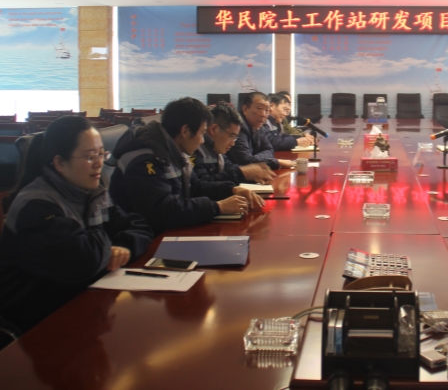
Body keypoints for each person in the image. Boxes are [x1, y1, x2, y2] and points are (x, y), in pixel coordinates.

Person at [0, 116, 153, 335]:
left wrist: (122, 248)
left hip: (82, 305)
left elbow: (140, 226)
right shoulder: (35, 205)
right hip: (35, 326)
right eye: (90, 157)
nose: (99, 163)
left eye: (102, 154)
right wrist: (105, 247)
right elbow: (84, 260)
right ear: (60, 163)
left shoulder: (91, 194)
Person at [109, 97, 263, 236]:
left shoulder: (172, 150)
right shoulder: (145, 159)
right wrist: (217, 207)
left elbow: (195, 186)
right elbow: (163, 211)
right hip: (148, 240)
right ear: (185, 131)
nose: (203, 141)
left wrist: (231, 190)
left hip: (169, 232)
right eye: (202, 133)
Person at [193, 102, 277, 184]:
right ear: (214, 129)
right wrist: (242, 173)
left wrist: (252, 175)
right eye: (232, 136)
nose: (232, 144)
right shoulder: (195, 150)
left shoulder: (217, 149)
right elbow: (202, 184)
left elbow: (229, 167)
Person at [227, 92, 296, 170]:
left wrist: (255, 158)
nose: (263, 115)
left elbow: (269, 149)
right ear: (245, 109)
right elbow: (245, 161)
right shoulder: (237, 127)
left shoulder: (258, 126)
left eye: (267, 110)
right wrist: (276, 162)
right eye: (259, 109)